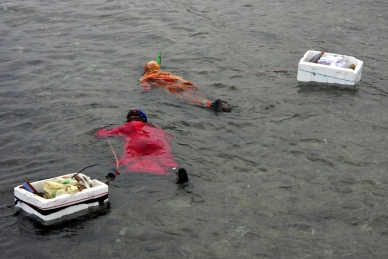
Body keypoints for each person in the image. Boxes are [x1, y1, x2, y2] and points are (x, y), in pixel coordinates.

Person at [95, 110, 188, 183]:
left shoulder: (127, 125)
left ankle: (115, 172)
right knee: (166, 159)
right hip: (157, 141)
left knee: (128, 158)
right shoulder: (153, 127)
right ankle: (174, 171)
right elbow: (170, 137)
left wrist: (103, 129)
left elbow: (101, 134)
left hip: (138, 141)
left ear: (129, 119)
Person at [139, 61, 231, 112]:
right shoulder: (167, 73)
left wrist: (144, 95)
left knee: (188, 99)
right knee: (199, 96)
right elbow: (179, 79)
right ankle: (222, 105)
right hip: (187, 84)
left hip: (172, 87)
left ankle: (212, 105)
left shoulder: (146, 78)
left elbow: (146, 87)